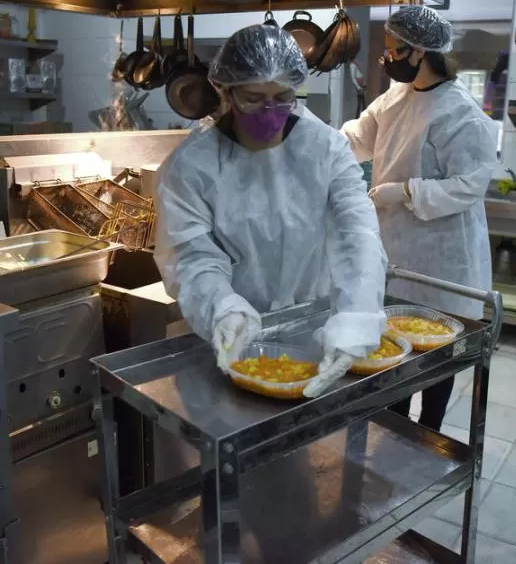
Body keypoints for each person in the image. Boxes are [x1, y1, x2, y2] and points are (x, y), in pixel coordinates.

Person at [154, 24, 387, 399]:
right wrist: (223, 307)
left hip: (315, 329)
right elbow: (192, 255)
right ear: (224, 91)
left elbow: (356, 235)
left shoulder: (326, 150)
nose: (270, 110)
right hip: (233, 339)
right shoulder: (193, 166)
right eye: (253, 97)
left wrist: (357, 318)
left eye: (282, 96)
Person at [341, 5, 499, 431]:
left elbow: (469, 185)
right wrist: (309, 142)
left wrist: (406, 191)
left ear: (418, 52)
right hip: (399, 247)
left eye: (392, 51)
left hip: (444, 253)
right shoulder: (395, 98)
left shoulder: (460, 113)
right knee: (396, 343)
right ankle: (392, 429)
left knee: (436, 352)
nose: (387, 59)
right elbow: (358, 137)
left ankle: (428, 433)